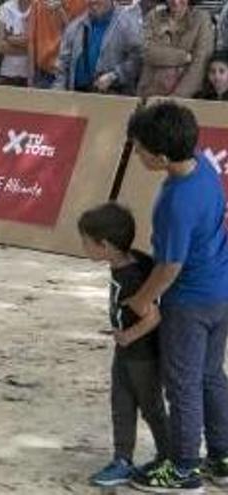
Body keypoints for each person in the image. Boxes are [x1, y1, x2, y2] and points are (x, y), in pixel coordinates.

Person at [124, 101, 228, 493]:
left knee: (183, 383)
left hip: (189, 302)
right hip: (221, 291)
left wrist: (142, 301)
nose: (136, 154)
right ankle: (222, 456)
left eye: (140, 150)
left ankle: (185, 467)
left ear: (162, 156)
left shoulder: (175, 202)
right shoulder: (203, 164)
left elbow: (169, 267)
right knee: (210, 375)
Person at [77, 203, 170, 487]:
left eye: (85, 241)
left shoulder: (130, 277)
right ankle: (122, 459)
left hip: (141, 356)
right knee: (122, 403)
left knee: (151, 406)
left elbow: (152, 316)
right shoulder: (132, 260)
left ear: (104, 245)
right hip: (126, 354)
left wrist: (128, 336)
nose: (83, 246)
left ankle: (170, 456)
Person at [52, 0, 142, 94]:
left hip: (114, 99)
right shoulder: (75, 27)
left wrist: (115, 76)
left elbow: (138, 59)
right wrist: (58, 95)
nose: (93, 1)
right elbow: (62, 67)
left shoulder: (128, 25)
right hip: (75, 100)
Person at [136, 0, 214, 98]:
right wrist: (184, 57)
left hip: (186, 98)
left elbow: (200, 64)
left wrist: (176, 97)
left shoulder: (202, 19)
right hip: (150, 92)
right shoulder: (153, 16)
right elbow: (147, 52)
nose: (176, 1)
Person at [27, 0, 87, 88]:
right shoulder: (38, 3)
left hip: (67, 74)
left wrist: (62, 13)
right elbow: (31, 41)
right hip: (43, 73)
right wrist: (31, 76)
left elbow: (78, 37)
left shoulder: (81, 3)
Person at [0, 0, 30, 85]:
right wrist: (28, 49)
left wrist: (8, 38)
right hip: (7, 75)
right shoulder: (6, 8)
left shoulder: (39, 7)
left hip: (32, 76)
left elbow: (38, 46)